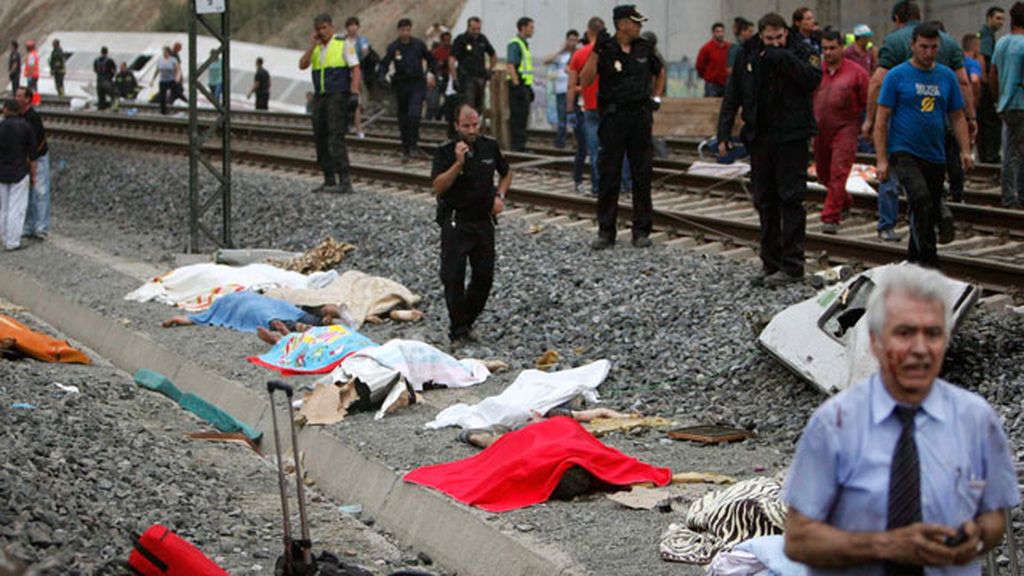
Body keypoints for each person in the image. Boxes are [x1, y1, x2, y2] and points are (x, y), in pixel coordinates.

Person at [783, 263, 1020, 575]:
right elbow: (799, 540)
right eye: (905, 333)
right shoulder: (835, 424)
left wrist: (974, 540)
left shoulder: (974, 419)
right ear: (877, 342)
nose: (920, 349)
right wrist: (887, 546)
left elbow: (994, 515)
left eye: (933, 334)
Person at [718, 12, 821, 286]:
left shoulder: (801, 49)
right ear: (761, 35)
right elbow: (734, 93)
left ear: (786, 33)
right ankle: (770, 261)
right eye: (769, 39)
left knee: (791, 198)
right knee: (765, 199)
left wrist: (784, 58)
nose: (774, 43)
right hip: (761, 135)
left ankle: (793, 264)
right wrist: (724, 131)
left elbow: (812, 79)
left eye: (779, 38)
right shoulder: (748, 53)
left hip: (792, 135)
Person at [864, 1, 975, 244]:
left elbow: (875, 82)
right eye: (923, 47)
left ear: (898, 19)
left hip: (934, 141)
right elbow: (965, 82)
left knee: (924, 200)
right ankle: (926, 231)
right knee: (919, 195)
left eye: (933, 47)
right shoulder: (946, 46)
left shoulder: (896, 44)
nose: (929, 52)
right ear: (913, 45)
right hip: (907, 144)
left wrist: (868, 119)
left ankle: (919, 252)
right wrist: (972, 117)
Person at [581, 5, 666, 250]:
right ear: (621, 24)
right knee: (609, 174)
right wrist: (595, 52)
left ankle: (641, 230)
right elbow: (585, 80)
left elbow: (660, 72)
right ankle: (606, 231)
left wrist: (656, 98)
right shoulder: (606, 48)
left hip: (639, 117)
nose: (640, 27)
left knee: (642, 174)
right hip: (613, 118)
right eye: (635, 22)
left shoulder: (644, 48)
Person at [431, 103, 511, 348]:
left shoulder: (489, 146)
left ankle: (466, 321)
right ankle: (457, 331)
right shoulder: (446, 151)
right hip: (457, 220)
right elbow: (438, 187)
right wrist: (458, 164)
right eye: (466, 126)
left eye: (475, 124)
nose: (471, 130)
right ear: (457, 126)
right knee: (453, 277)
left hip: (483, 219)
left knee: (484, 276)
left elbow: (506, 173)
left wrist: (500, 196)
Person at [299, 13, 361, 194]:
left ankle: (344, 180)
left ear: (332, 27)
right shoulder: (316, 48)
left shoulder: (343, 44)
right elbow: (302, 64)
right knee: (320, 136)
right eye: (319, 29)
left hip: (337, 95)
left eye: (325, 28)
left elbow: (355, 68)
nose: (322, 32)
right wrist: (312, 46)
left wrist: (354, 91)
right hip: (320, 96)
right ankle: (329, 179)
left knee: (335, 136)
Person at [814, 30, 869, 234]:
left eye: (832, 48)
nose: (828, 53)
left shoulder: (857, 73)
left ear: (841, 48)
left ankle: (830, 217)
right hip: (820, 129)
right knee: (822, 174)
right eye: (824, 49)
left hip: (846, 127)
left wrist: (868, 123)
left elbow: (868, 100)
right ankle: (843, 200)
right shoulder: (816, 72)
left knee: (839, 171)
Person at [379, 18, 436, 160]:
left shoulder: (418, 45)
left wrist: (431, 73)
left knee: (414, 114)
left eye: (407, 30)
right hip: (401, 85)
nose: (405, 33)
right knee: (403, 117)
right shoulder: (393, 47)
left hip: (417, 83)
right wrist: (382, 77)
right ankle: (406, 146)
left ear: (411, 30)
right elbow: (384, 63)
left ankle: (413, 145)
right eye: (403, 30)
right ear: (399, 31)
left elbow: (430, 59)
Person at [991, 2, 1024, 208]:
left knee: (1010, 153)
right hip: (1022, 103)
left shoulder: (1001, 43)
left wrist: (998, 99)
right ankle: (1014, 197)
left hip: (1007, 105)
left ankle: (1010, 195)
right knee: (1019, 153)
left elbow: (992, 73)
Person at [567, 17, 604, 196]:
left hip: (587, 107)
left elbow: (572, 86)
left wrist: (568, 109)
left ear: (588, 32)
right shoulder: (612, 51)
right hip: (610, 106)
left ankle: (590, 184)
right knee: (614, 149)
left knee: (587, 148)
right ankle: (620, 185)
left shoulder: (580, 54)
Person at [0, 98, 35, 252]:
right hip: (20, 171)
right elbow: (32, 155)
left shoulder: (0, 126)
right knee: (17, 208)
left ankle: (2, 236)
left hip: (1, 171)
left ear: (6, 110)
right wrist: (33, 175)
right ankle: (13, 241)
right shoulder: (25, 127)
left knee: (4, 207)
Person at [14, 88, 47, 240]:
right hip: (26, 159)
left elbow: (39, 140)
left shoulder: (33, 117)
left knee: (40, 192)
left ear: (27, 99)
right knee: (28, 193)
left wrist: (31, 157)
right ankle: (28, 226)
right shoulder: (18, 117)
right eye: (16, 95)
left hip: (37, 158)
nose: (17, 98)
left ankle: (41, 227)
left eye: (20, 96)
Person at [450, 17, 498, 115]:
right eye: (474, 29)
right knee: (468, 105)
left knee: (478, 106)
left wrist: (490, 70)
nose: (476, 32)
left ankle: (476, 126)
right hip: (466, 77)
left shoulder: (482, 39)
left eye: (478, 29)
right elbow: (451, 59)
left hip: (480, 77)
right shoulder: (461, 40)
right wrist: (454, 78)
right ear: (468, 27)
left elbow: (493, 55)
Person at [978, 6, 1007, 164]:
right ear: (989, 18)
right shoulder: (987, 36)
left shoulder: (985, 34)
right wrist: (986, 81)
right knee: (992, 121)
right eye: (998, 18)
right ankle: (991, 156)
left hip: (985, 84)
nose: (1001, 22)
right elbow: (983, 57)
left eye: (1002, 19)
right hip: (987, 85)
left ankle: (985, 155)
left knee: (984, 120)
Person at [543, 30, 579, 148]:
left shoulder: (578, 54)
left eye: (575, 40)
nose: (573, 43)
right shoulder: (561, 55)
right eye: (570, 40)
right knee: (561, 119)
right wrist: (559, 50)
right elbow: (546, 60)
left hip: (574, 90)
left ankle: (577, 142)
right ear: (567, 40)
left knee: (575, 118)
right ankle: (560, 142)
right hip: (561, 89)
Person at [506, 17, 535, 152]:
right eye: (531, 27)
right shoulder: (515, 43)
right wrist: (517, 84)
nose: (532, 30)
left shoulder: (523, 43)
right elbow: (511, 64)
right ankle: (517, 146)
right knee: (518, 116)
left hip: (525, 86)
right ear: (523, 27)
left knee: (522, 116)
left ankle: (520, 145)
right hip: (518, 86)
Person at [343, 17, 372, 139]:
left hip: (356, 72)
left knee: (355, 101)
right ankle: (345, 125)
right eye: (350, 25)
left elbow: (365, 52)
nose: (353, 28)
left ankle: (358, 128)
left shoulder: (362, 40)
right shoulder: (342, 40)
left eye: (355, 25)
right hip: (343, 73)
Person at [696, 22, 730, 97]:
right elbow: (700, 65)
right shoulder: (706, 48)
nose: (720, 34)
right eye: (718, 32)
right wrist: (707, 76)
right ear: (713, 33)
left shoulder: (728, 47)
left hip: (726, 83)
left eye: (722, 31)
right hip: (712, 84)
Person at [428, 31, 453, 120]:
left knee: (449, 99)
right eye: (445, 40)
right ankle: (436, 114)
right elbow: (432, 65)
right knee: (434, 99)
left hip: (450, 78)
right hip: (440, 76)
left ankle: (442, 114)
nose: (447, 42)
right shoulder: (437, 52)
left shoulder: (453, 50)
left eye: (448, 40)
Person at [151, 47, 180, 115]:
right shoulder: (160, 60)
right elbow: (157, 70)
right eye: (163, 52)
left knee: (177, 92)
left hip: (171, 80)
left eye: (165, 52)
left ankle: (188, 103)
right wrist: (153, 79)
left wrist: (177, 78)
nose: (164, 53)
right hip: (163, 80)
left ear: (168, 52)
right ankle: (163, 111)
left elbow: (177, 70)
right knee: (162, 96)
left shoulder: (173, 60)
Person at [93, 46, 117, 111]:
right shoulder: (110, 61)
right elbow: (114, 70)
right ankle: (114, 108)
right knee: (113, 96)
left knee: (101, 99)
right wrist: (111, 76)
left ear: (101, 52)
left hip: (99, 81)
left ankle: (101, 111)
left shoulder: (96, 61)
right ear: (107, 52)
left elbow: (95, 70)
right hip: (107, 81)